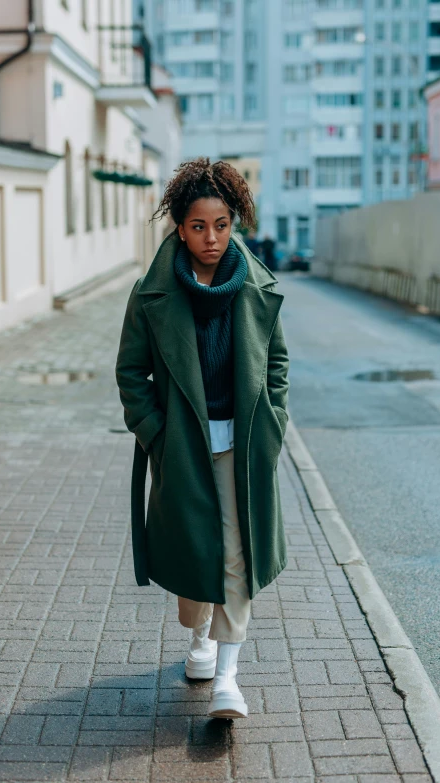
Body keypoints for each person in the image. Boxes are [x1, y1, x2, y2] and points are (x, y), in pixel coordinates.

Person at [115, 157, 289, 720]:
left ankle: (228, 680)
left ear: (234, 221)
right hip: (183, 445)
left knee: (236, 552)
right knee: (195, 551)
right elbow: (130, 373)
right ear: (179, 226)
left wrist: (273, 422)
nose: (210, 238)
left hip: (242, 443)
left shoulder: (257, 287)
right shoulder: (153, 292)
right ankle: (199, 638)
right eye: (197, 226)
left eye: (220, 224)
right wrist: (156, 435)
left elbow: (277, 364)